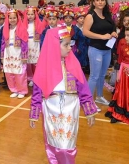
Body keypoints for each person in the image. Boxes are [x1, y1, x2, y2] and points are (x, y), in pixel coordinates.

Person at [29, 26, 97, 164]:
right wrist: (34, 114)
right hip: (50, 109)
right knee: (52, 142)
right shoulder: (44, 66)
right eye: (66, 45)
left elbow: (83, 87)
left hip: (70, 108)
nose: (69, 48)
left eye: (70, 44)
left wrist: (89, 110)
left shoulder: (73, 63)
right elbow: (37, 92)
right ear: (54, 46)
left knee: (67, 145)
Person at [83, 0, 117, 108]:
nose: (100, 2)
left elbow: (112, 29)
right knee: (94, 76)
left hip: (107, 50)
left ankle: (99, 97)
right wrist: (102, 36)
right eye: (97, 0)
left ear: (105, 1)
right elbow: (85, 32)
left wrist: (113, 32)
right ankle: (88, 102)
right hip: (95, 50)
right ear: (93, 3)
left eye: (102, 0)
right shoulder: (90, 16)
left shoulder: (107, 15)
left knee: (102, 75)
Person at [1, 9, 28, 98]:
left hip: (18, 52)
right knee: (9, 72)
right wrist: (1, 55)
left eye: (14, 18)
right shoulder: (6, 29)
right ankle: (14, 89)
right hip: (8, 52)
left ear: (17, 18)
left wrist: (24, 55)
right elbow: (2, 42)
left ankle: (22, 90)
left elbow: (24, 42)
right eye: (10, 18)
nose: (12, 20)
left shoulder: (21, 28)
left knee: (19, 72)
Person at [105, 27, 129, 124]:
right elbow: (120, 60)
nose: (126, 38)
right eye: (126, 35)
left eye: (128, 36)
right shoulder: (123, 44)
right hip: (123, 73)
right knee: (122, 91)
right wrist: (118, 73)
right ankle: (119, 112)